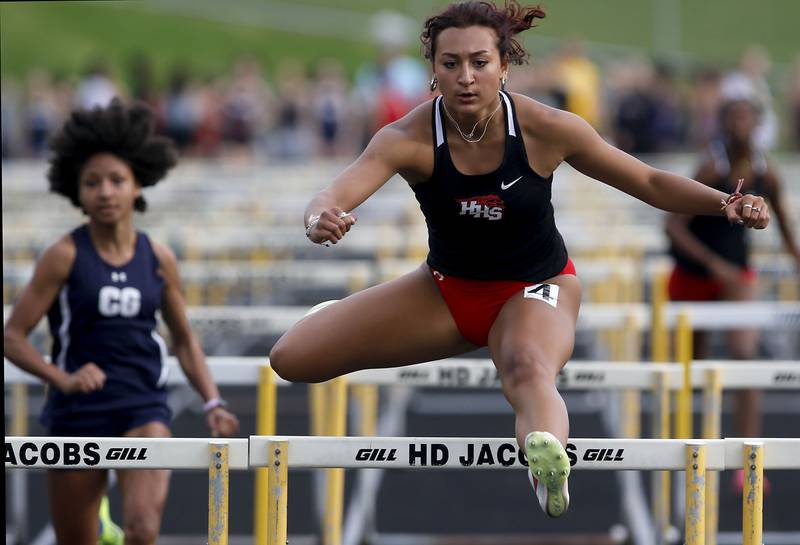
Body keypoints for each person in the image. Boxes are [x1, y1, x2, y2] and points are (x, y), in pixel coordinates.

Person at [269, 1, 770, 518]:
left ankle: (546, 459)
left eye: (480, 62)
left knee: (527, 369)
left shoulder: (547, 128)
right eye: (450, 64)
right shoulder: (407, 138)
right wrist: (319, 219)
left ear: (504, 66)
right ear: (433, 71)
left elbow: (646, 181)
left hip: (536, 289)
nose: (465, 77)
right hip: (446, 292)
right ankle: (330, 317)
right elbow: (333, 193)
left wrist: (724, 203)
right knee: (291, 359)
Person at [3, 99, 240, 545]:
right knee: (77, 540)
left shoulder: (158, 258)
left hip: (142, 405)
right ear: (78, 192)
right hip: (78, 413)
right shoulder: (63, 256)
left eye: (116, 180)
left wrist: (213, 402)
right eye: (92, 183)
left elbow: (184, 341)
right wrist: (63, 378)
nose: (105, 192)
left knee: (143, 531)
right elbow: (12, 337)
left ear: (137, 187)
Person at [665, 95, 799, 493]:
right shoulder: (711, 166)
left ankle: (748, 461)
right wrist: (712, 265)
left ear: (758, 123)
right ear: (722, 123)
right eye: (734, 116)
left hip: (737, 277)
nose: (741, 123)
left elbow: (786, 224)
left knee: (745, 359)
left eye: (748, 116)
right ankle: (688, 456)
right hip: (693, 274)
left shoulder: (765, 171)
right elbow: (674, 227)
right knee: (690, 369)